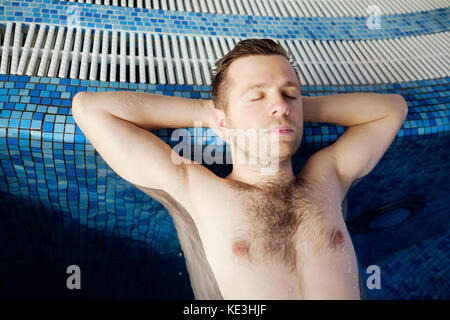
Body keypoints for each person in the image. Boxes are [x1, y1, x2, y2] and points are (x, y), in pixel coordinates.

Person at [72, 38, 408, 299]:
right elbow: (91, 109)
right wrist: (214, 115)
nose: (279, 106)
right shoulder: (200, 190)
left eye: (290, 94)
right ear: (223, 120)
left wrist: (290, 108)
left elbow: (392, 109)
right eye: (257, 97)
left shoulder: (328, 177)